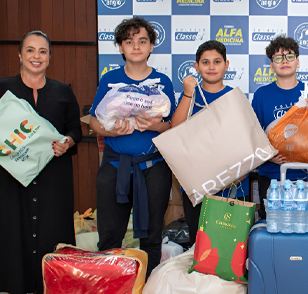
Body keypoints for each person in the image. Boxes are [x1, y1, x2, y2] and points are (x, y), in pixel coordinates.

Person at [89, 17, 177, 277]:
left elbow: (170, 125)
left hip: (153, 168)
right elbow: (94, 121)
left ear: (151, 47)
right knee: (109, 238)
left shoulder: (162, 81)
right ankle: (110, 286)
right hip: (114, 166)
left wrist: (154, 126)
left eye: (142, 41)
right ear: (120, 47)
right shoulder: (110, 80)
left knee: (151, 238)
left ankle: (147, 286)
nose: (136, 47)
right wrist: (110, 130)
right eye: (129, 42)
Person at [0, 30, 82, 294]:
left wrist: (67, 142)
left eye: (43, 51)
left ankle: (53, 285)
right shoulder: (2, 89)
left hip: (53, 178)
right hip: (10, 179)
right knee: (13, 231)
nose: (37, 56)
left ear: (49, 57)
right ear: (20, 55)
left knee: (52, 231)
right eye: (31, 50)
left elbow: (75, 130)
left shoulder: (63, 92)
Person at [171, 40, 250, 245]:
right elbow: (174, 129)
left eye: (217, 61)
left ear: (227, 65)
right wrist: (188, 92)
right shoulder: (190, 95)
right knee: (201, 243)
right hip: (198, 184)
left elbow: (247, 142)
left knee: (230, 245)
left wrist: (238, 175)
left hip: (232, 183)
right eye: (205, 62)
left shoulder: (235, 97)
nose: (212, 67)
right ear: (196, 67)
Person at [251, 35, 308, 219]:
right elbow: (253, 136)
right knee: (273, 226)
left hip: (307, 176)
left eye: (289, 56)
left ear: (298, 62)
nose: (284, 61)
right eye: (278, 57)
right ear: (271, 65)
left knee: (307, 226)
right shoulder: (262, 94)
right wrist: (268, 156)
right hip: (272, 175)